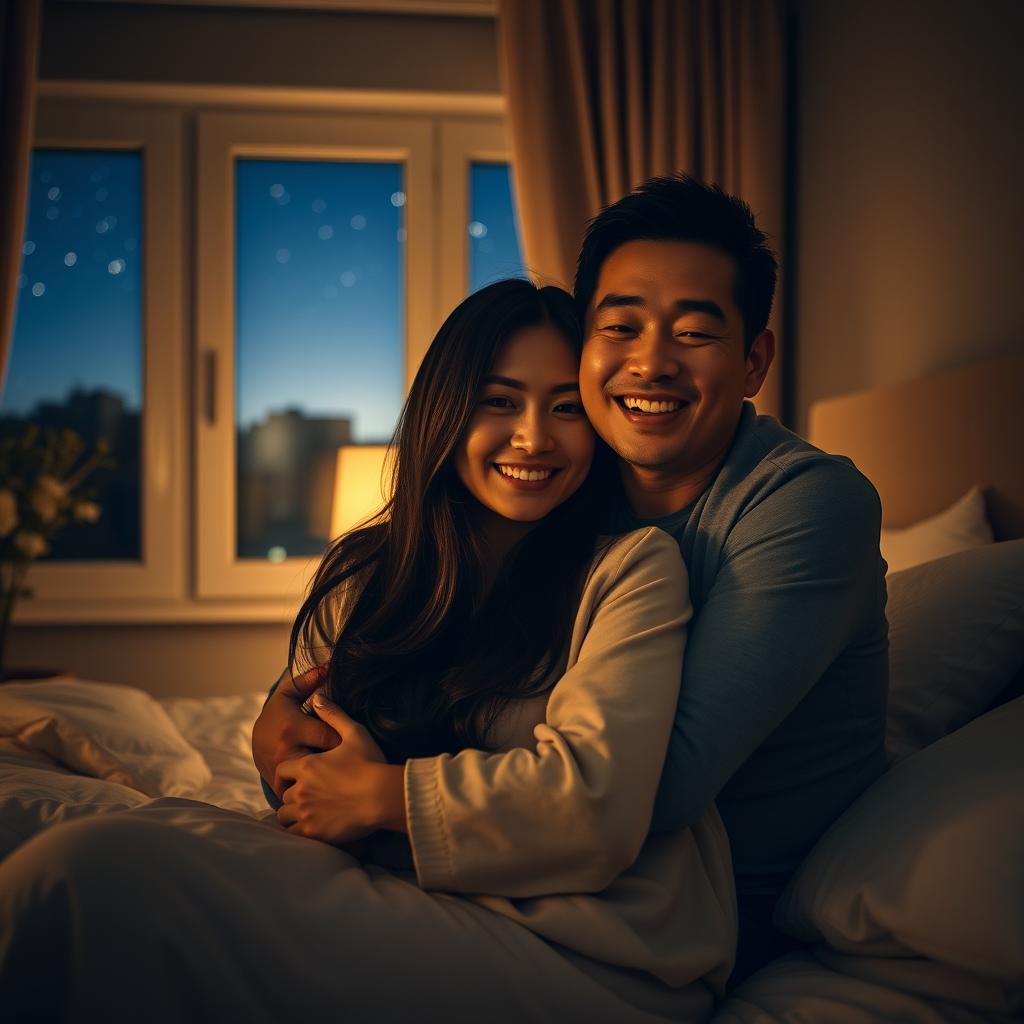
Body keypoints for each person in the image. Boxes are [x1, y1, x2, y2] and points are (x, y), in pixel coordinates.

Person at [0, 280, 735, 1024]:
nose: (534, 437)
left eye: (566, 407)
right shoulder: (372, 570)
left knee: (88, 880)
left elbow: (595, 807)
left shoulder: (632, 569)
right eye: (500, 401)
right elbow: (316, 776)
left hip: (587, 945)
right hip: (401, 886)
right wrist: (274, 754)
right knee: (83, 852)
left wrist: (382, 797)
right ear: (446, 412)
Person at [573, 174, 889, 983]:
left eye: (693, 333)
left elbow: (661, 785)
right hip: (566, 868)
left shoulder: (811, 502)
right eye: (620, 326)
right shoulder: (569, 485)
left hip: (709, 912)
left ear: (754, 361)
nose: (650, 362)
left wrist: (395, 782)